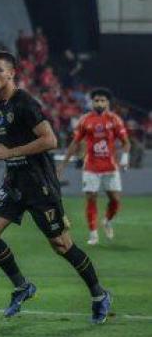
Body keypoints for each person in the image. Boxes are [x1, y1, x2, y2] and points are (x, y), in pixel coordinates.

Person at [0, 51, 111, 324]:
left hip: (40, 185)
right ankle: (22, 286)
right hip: (14, 183)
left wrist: (10, 152)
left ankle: (99, 295)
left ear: (11, 73)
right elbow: (9, 144)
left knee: (62, 245)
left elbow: (50, 140)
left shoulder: (25, 102)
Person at [58, 88, 130, 245]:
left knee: (115, 200)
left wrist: (125, 157)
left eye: (102, 100)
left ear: (107, 102)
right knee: (91, 199)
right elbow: (75, 143)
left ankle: (107, 221)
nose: (99, 103)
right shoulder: (85, 120)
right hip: (91, 167)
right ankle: (93, 233)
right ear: (92, 102)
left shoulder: (114, 120)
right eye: (96, 100)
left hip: (110, 167)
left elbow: (126, 142)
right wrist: (63, 164)